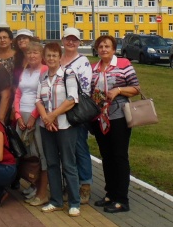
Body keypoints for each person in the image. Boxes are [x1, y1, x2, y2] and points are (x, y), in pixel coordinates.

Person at [89, 35, 140, 214]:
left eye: (107, 46)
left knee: (119, 156)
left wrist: (118, 90)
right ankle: (110, 193)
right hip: (100, 118)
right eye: (100, 46)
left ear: (114, 49)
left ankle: (122, 199)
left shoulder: (123, 64)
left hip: (119, 116)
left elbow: (136, 88)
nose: (103, 49)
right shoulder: (94, 68)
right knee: (106, 156)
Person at [36, 40, 82, 216]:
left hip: (65, 126)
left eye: (54, 55)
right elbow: (38, 100)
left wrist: (53, 115)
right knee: (52, 163)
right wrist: (46, 118)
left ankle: (74, 202)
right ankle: (56, 200)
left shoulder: (68, 74)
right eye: (48, 55)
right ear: (44, 58)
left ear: (60, 57)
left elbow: (72, 99)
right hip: (46, 126)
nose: (51, 58)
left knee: (69, 164)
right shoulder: (43, 77)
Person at [59, 26, 94, 201]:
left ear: (79, 42)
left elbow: (86, 88)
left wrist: (69, 103)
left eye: (74, 39)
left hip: (76, 112)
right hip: (59, 110)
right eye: (68, 39)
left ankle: (85, 184)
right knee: (65, 150)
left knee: (79, 147)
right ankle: (70, 184)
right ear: (63, 40)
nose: (71, 42)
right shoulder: (58, 59)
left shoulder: (83, 61)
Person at [13, 40, 49, 204]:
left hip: (37, 116)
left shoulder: (44, 70)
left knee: (39, 153)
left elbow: (43, 95)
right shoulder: (25, 71)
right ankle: (32, 184)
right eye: (29, 53)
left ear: (41, 55)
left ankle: (42, 190)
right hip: (22, 116)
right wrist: (18, 115)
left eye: (35, 53)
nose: (32, 55)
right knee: (25, 153)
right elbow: (18, 94)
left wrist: (34, 117)